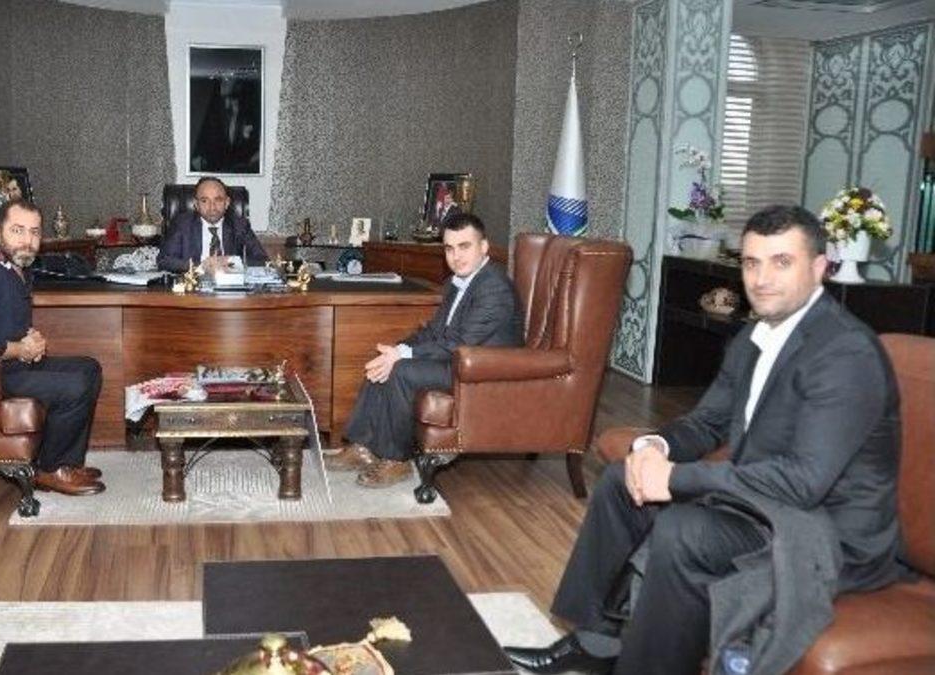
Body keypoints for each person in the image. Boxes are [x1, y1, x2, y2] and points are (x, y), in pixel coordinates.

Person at [504, 205, 901, 675]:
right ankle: (596, 646)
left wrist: (676, 479)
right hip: (764, 505)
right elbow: (708, 422)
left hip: (827, 533)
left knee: (685, 530)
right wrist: (653, 449)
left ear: (819, 268)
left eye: (781, 262)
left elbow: (803, 482)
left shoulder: (845, 353)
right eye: (751, 263)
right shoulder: (755, 336)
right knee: (620, 480)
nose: (762, 279)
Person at [326, 213, 523, 488]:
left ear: (484, 247)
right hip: (457, 361)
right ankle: (363, 448)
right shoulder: (457, 282)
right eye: (449, 248)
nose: (456, 256)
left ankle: (397, 461)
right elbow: (433, 331)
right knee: (384, 361)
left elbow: (460, 342)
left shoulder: (494, 287)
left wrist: (402, 356)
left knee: (402, 370)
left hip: (481, 372)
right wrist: (398, 349)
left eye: (464, 246)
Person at [0, 199, 106, 496]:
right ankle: (50, 470)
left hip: (8, 365)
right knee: (76, 384)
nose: (27, 241)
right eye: (17, 231)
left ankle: (66, 462)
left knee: (88, 368)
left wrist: (30, 339)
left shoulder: (15, 268)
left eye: (34, 232)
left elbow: (1, 325)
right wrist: (21, 349)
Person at [156, 176, 268, 274]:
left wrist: (231, 262)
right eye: (204, 201)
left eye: (218, 200)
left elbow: (262, 259)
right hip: (194, 286)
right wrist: (201, 267)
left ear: (227, 203)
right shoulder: (182, 224)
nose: (212, 207)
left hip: (228, 287)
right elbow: (164, 260)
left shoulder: (239, 225)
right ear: (196, 205)